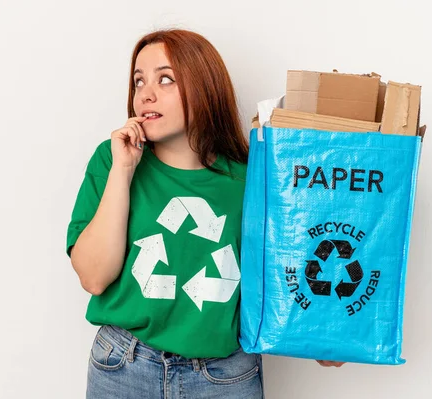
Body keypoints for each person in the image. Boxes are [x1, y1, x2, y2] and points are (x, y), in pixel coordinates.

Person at [66, 28, 343, 399]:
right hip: (124, 367)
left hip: (224, 375)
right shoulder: (112, 160)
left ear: (205, 86)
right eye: (138, 82)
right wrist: (123, 171)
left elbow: (283, 271)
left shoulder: (253, 178)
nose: (146, 93)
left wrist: (324, 333)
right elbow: (94, 278)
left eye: (166, 79)